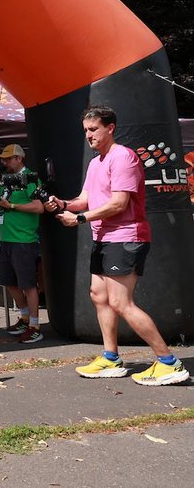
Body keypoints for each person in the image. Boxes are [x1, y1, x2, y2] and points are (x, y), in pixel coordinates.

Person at [47, 105, 189, 386]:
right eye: (85, 131)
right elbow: (84, 199)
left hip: (125, 236)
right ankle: (111, 359)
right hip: (104, 238)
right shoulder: (96, 162)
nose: (88, 136)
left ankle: (169, 363)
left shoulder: (123, 157)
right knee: (99, 296)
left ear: (110, 128)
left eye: (93, 129)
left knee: (121, 302)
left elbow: (118, 203)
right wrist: (63, 204)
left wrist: (80, 218)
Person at [0, 144, 45, 344]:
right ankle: (25, 317)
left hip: (23, 241)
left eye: (9, 159)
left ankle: (35, 326)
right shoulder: (7, 181)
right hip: (7, 240)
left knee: (28, 284)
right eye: (3, 159)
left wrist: (12, 205)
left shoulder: (30, 178)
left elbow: (39, 207)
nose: (5, 162)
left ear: (19, 158)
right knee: (8, 281)